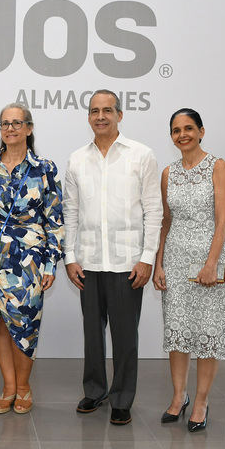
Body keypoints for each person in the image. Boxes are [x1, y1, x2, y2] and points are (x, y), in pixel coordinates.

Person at [63, 89, 162, 426]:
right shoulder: (77, 158)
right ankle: (94, 391)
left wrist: (147, 257)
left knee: (124, 336)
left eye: (107, 110)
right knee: (92, 334)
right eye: (94, 111)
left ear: (120, 115)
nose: (101, 116)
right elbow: (71, 211)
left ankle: (122, 398)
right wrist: (69, 257)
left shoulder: (141, 155)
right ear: (88, 117)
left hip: (127, 263)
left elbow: (153, 210)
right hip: (87, 263)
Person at [0, 103, 65, 414]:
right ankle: (8, 387)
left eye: (17, 123)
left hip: (30, 259)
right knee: (0, 322)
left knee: (24, 324)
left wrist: (51, 263)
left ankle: (24, 387)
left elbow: (55, 220)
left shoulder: (45, 168)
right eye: (4, 123)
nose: (10, 128)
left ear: (29, 128)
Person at [152, 108, 225, 432]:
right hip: (174, 260)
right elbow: (166, 221)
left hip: (209, 262)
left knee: (207, 334)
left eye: (188, 128)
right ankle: (178, 397)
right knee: (177, 333)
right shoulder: (168, 173)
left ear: (201, 131)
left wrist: (211, 263)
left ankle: (201, 401)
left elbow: (223, 218)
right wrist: (158, 263)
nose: (182, 134)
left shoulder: (219, 166)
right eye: (176, 130)